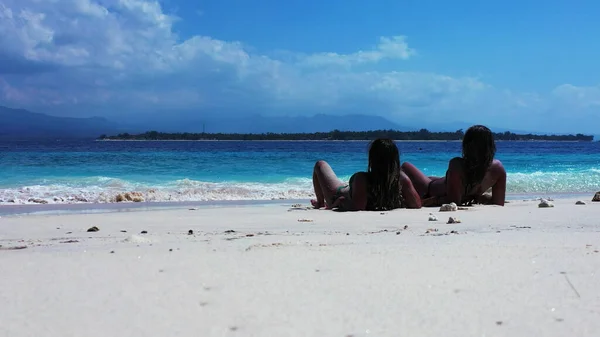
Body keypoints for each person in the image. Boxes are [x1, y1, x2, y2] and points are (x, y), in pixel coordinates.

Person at [401, 125, 506, 207]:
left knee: (405, 166)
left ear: (467, 146)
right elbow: (499, 202)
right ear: (491, 146)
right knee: (431, 178)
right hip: (438, 183)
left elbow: (453, 201)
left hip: (428, 189)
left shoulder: (458, 165)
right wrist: (478, 196)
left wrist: (431, 201)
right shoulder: (498, 168)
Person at [311, 138, 421, 211]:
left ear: (372, 159)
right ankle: (320, 202)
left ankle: (320, 203)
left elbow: (358, 207)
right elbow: (416, 204)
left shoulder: (363, 179)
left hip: (338, 195)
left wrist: (340, 202)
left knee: (320, 164)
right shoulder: (401, 179)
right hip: (349, 191)